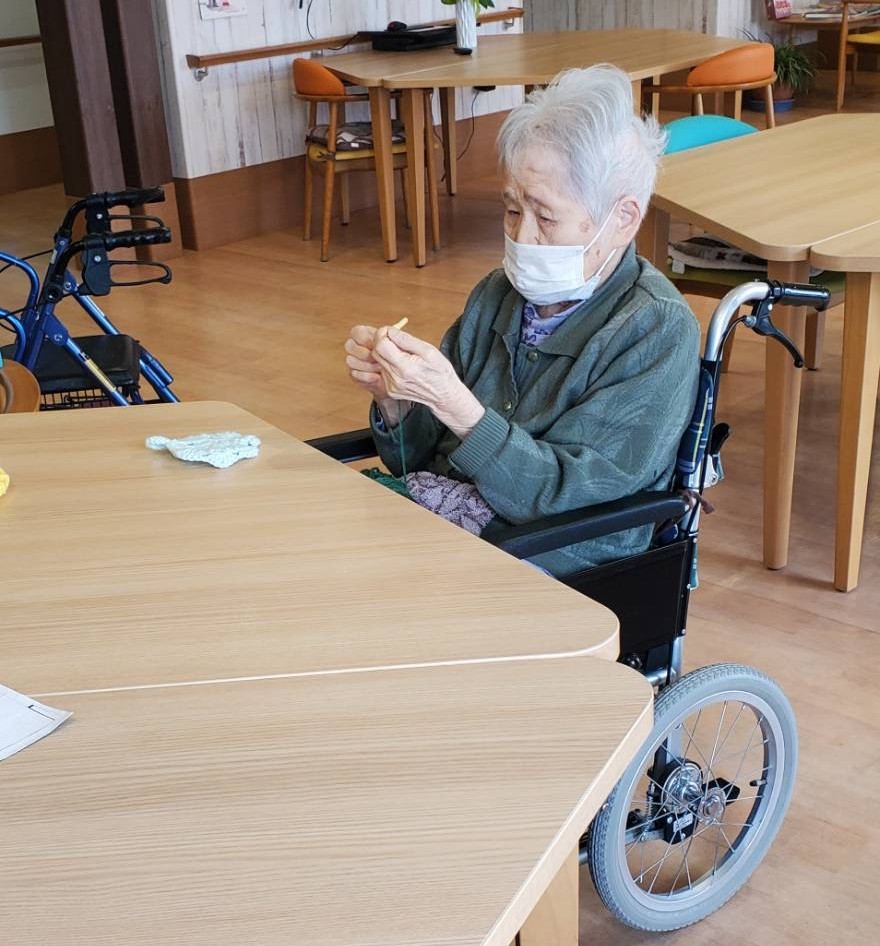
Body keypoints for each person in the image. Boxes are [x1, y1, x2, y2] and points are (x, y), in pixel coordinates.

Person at [344, 64, 700, 576]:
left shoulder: (654, 329)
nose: (522, 236)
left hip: (563, 556)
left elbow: (567, 498)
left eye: (545, 216)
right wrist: (397, 402)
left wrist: (458, 407)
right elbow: (415, 462)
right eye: (512, 210)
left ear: (622, 218)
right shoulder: (496, 295)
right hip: (453, 523)